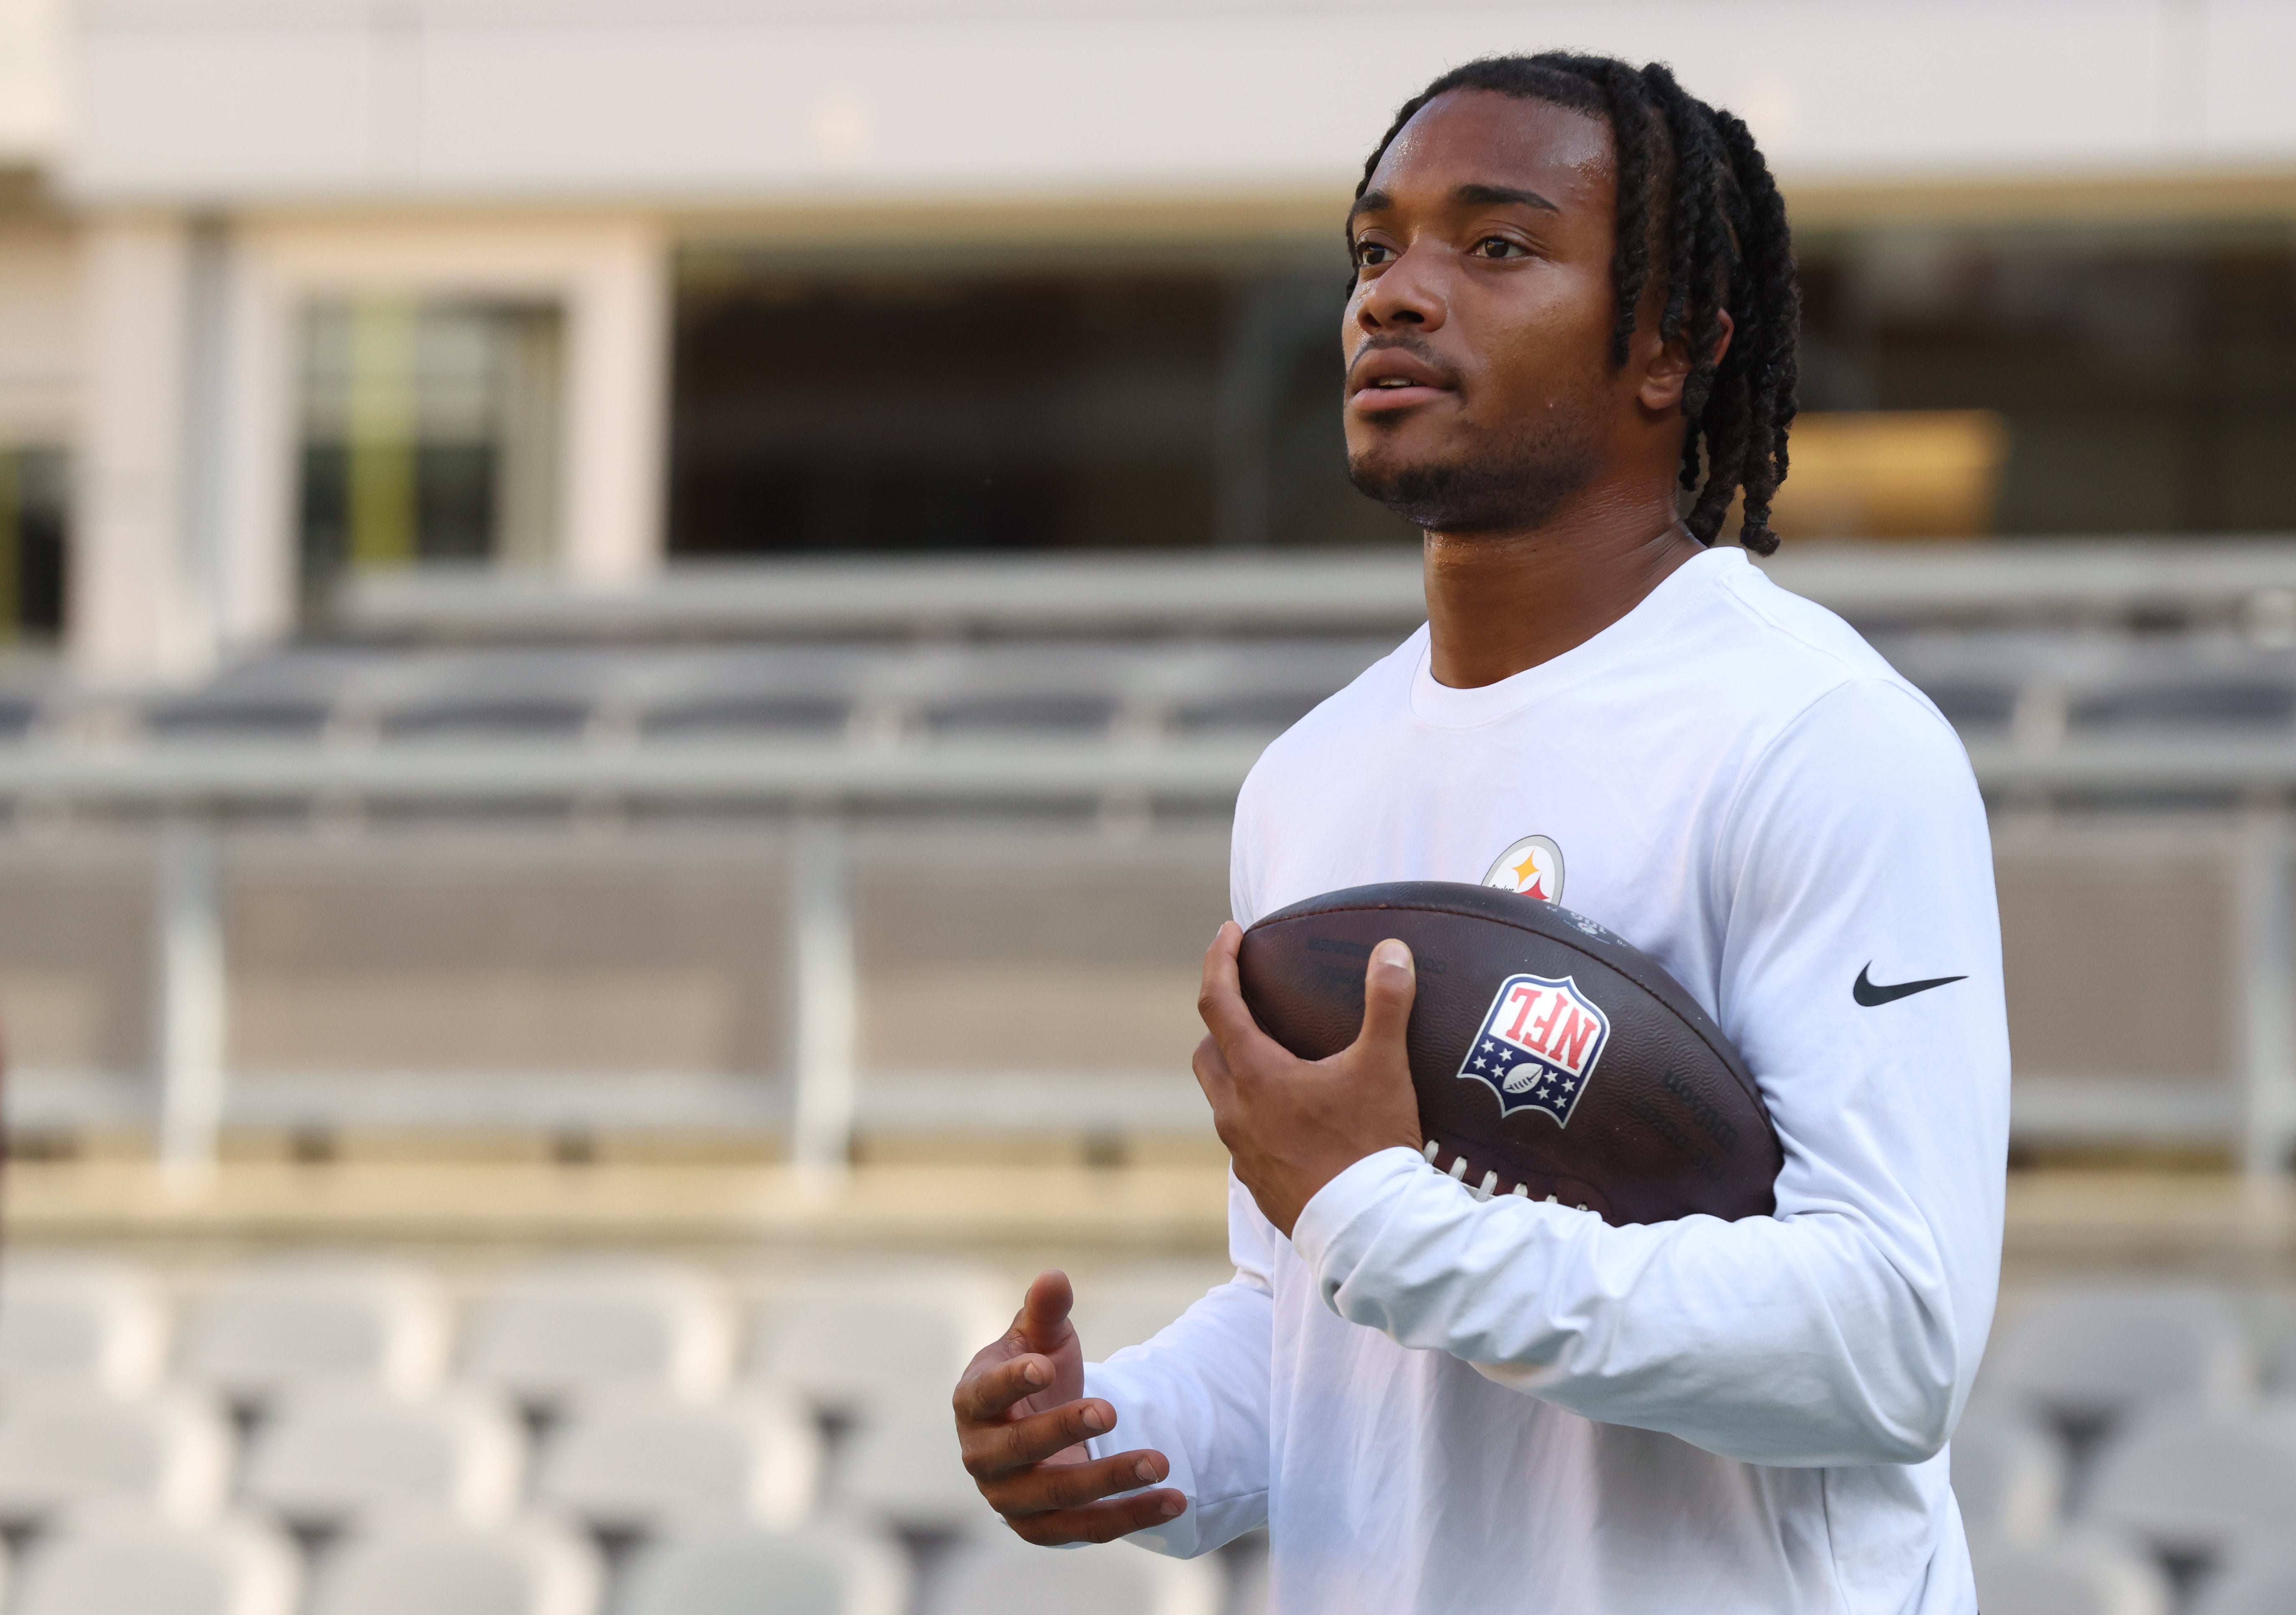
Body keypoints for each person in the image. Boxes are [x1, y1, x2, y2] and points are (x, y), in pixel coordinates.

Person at [952, 51, 2008, 1615]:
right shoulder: (1309, 780)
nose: (1397, 295)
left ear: (1673, 347)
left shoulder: (1823, 741)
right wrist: (1121, 1430)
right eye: (1378, 251)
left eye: (1495, 247)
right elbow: (1321, 1313)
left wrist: (1385, 1216)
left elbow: (1890, 1341)